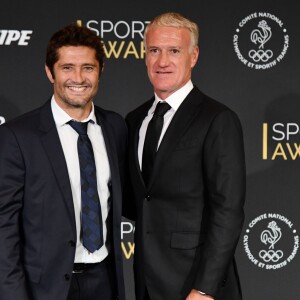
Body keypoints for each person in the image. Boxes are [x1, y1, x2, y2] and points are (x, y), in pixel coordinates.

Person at [0, 24, 127, 300]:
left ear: (101, 70)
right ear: (50, 72)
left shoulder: (114, 126)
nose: (78, 78)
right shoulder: (17, 136)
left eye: (88, 68)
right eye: (67, 68)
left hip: (105, 281)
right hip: (44, 288)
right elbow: (4, 226)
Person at [125, 12, 246, 300]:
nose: (162, 61)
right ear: (145, 56)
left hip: (197, 286)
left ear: (193, 56)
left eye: (174, 51)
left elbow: (227, 211)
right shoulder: (134, 120)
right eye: (154, 50)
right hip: (146, 283)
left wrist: (205, 288)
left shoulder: (217, 119)